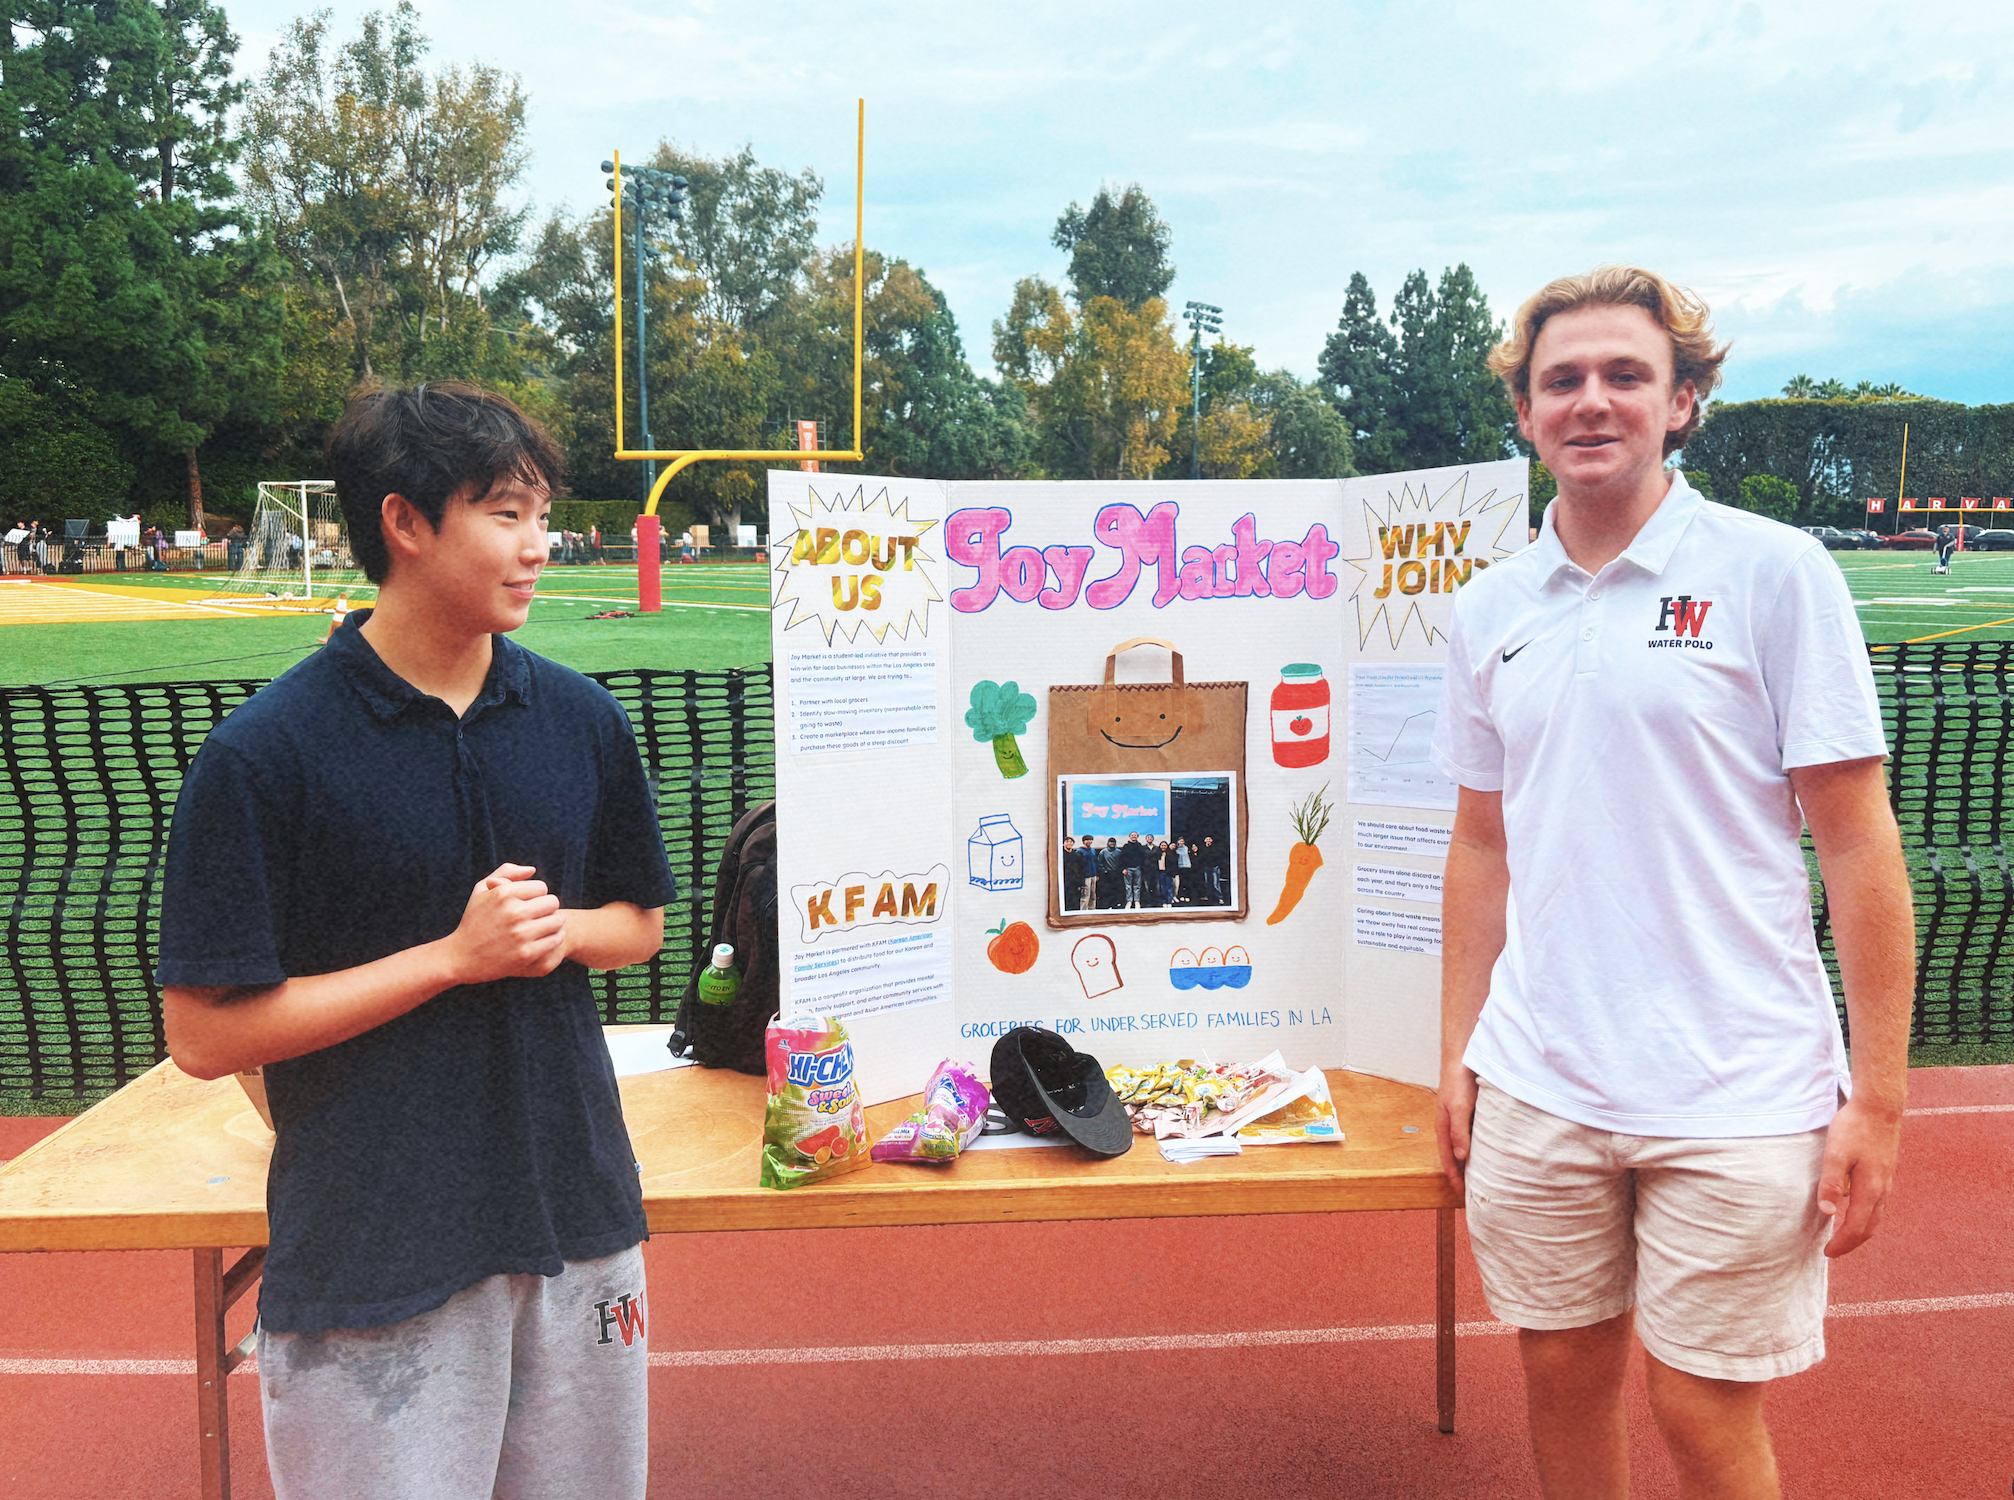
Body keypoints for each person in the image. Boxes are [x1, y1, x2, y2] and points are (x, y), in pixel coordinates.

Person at [1431, 266, 1912, 1500]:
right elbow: (1480, 843)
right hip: (1541, 1077)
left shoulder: (1774, 571)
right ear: (1527, 413)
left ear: (1682, 401)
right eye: (1561, 381)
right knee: (1561, 1372)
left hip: (1737, 1087)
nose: (1591, 402)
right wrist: (1457, 1053)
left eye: (1625, 376)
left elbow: (1858, 842)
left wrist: (1882, 1103)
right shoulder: (1487, 609)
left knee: (1700, 1411)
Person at [156, 381, 673, 1500]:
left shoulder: (584, 721)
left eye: (541, 516)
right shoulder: (265, 754)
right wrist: (451, 957)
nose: (538, 548)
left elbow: (639, 923)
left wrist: (556, 933)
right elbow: (201, 1034)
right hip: (374, 1250)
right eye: (505, 514)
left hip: (576, 1218)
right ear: (404, 522)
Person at [1061, 836, 1081, 912]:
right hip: (1065, 880)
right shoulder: (1061, 855)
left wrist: (1080, 883)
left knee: (1075, 901)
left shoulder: (1076, 855)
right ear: (1063, 844)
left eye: (1071, 842)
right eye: (1067, 842)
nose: (1069, 843)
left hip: (1075, 881)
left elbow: (1080, 869)